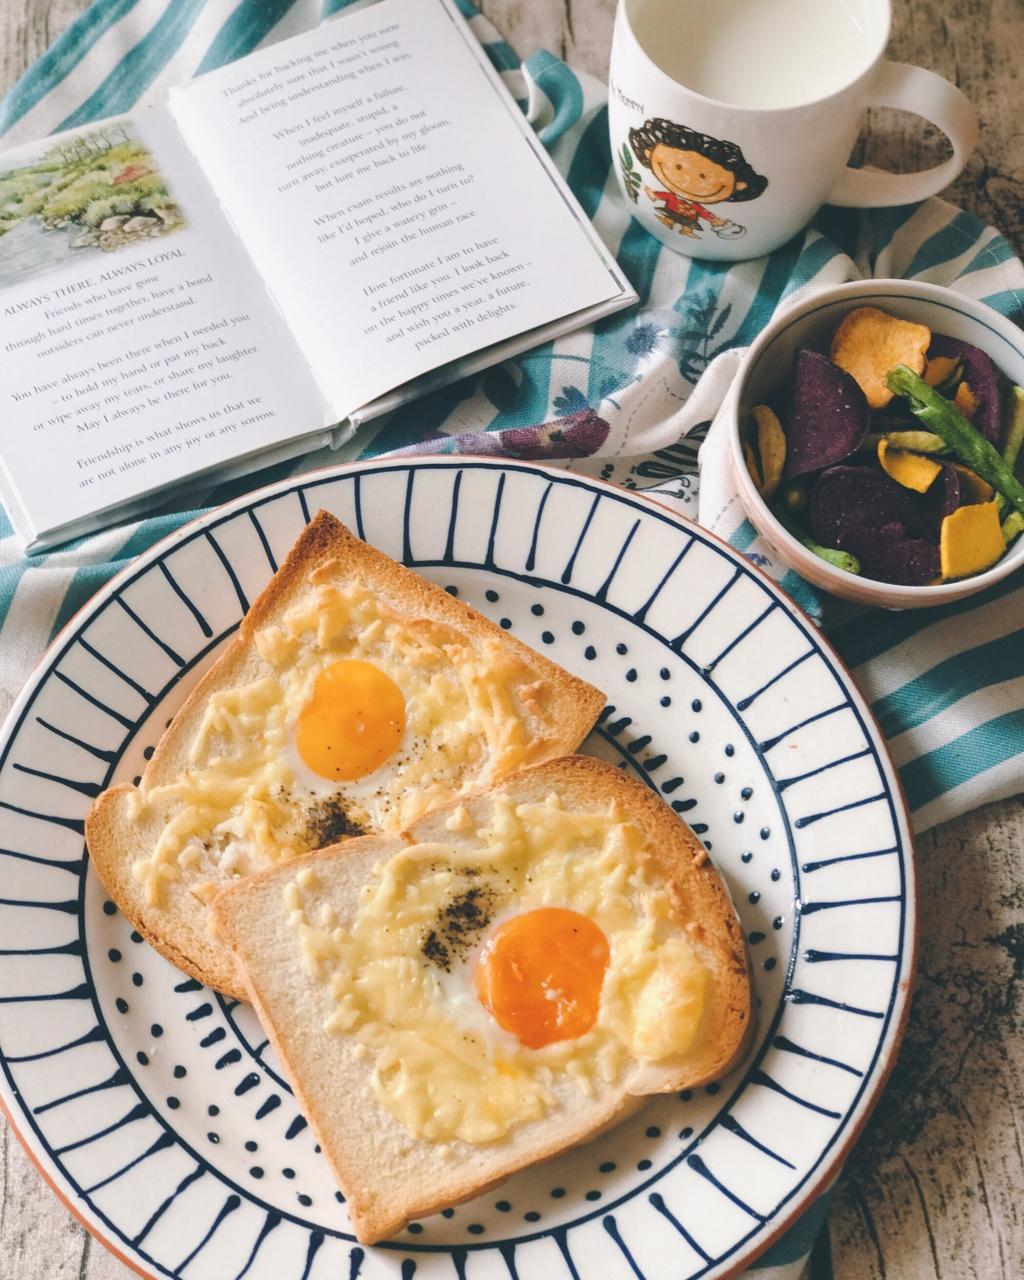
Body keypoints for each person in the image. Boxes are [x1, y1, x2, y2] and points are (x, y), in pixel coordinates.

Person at [627, 118, 767, 239]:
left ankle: (686, 230)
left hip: (692, 219)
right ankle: (669, 222)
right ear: (648, 153)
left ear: (739, 185)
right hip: (668, 213)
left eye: (704, 177)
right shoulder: (676, 198)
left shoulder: (695, 206)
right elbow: (666, 196)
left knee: (689, 224)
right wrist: (653, 194)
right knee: (671, 217)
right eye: (678, 167)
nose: (689, 180)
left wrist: (715, 220)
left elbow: (703, 213)